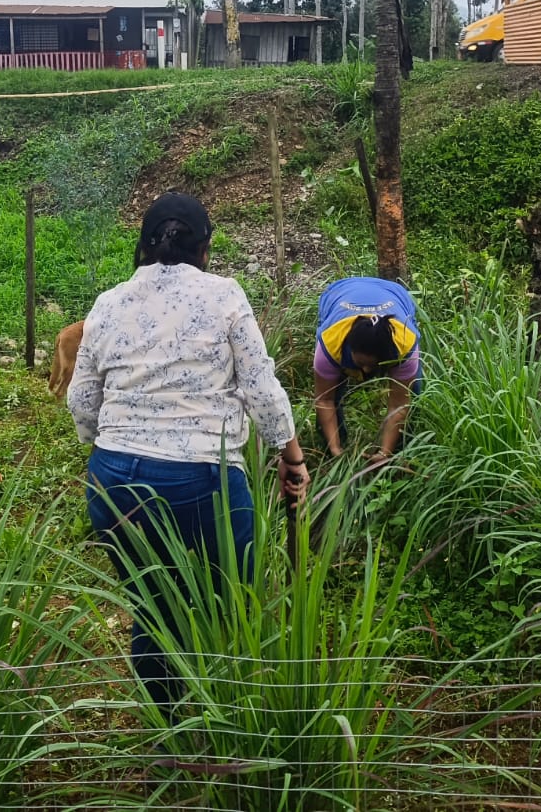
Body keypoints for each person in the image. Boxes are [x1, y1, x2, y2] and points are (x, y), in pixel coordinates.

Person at [68, 192, 306, 711]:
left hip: (114, 480)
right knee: (234, 596)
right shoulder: (224, 296)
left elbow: (82, 400)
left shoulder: (108, 303)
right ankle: (228, 710)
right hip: (200, 481)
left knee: (152, 606)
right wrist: (291, 457)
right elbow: (261, 389)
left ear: (143, 246)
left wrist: (110, 445)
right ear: (204, 249)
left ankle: (167, 724)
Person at [312, 276, 422, 459]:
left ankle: (401, 451)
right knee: (332, 393)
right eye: (361, 363)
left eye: (373, 365)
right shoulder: (330, 343)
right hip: (339, 291)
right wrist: (335, 449)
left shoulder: (405, 344)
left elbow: (399, 404)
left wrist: (385, 452)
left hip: (394, 294)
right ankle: (332, 450)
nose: (367, 371)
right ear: (350, 349)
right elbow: (324, 400)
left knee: (413, 394)